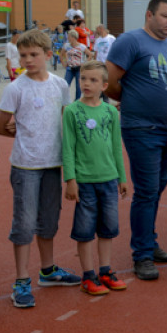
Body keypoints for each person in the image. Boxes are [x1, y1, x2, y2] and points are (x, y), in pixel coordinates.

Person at [0, 29, 79, 307]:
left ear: (48, 54)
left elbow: (65, 123)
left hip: (53, 165)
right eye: (23, 55)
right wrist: (23, 137)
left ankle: (48, 269)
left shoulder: (60, 86)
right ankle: (21, 280)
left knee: (49, 221)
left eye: (34, 54)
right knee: (24, 223)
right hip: (25, 167)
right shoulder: (15, 88)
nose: (27, 60)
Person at [106, 0, 167, 280]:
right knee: (146, 191)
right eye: (165, 16)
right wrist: (129, 100)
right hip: (142, 129)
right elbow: (109, 80)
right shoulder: (130, 41)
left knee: (157, 189)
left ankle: (149, 243)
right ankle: (141, 254)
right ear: (150, 15)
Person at [62, 61, 129, 295]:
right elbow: (68, 148)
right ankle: (88, 275)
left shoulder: (110, 112)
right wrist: (70, 179)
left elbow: (116, 147)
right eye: (83, 79)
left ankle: (105, 271)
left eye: (92, 80)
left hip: (109, 180)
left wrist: (122, 177)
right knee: (85, 230)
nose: (86, 84)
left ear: (104, 85)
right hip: (84, 182)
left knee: (108, 229)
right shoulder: (71, 111)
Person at [61, 30, 88, 100]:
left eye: (69, 37)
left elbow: (90, 55)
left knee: (78, 87)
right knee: (65, 85)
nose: (68, 38)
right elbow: (61, 54)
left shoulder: (82, 46)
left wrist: (84, 64)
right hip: (69, 69)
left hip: (79, 69)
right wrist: (64, 63)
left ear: (73, 37)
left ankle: (77, 101)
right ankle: (64, 101)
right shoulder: (66, 45)